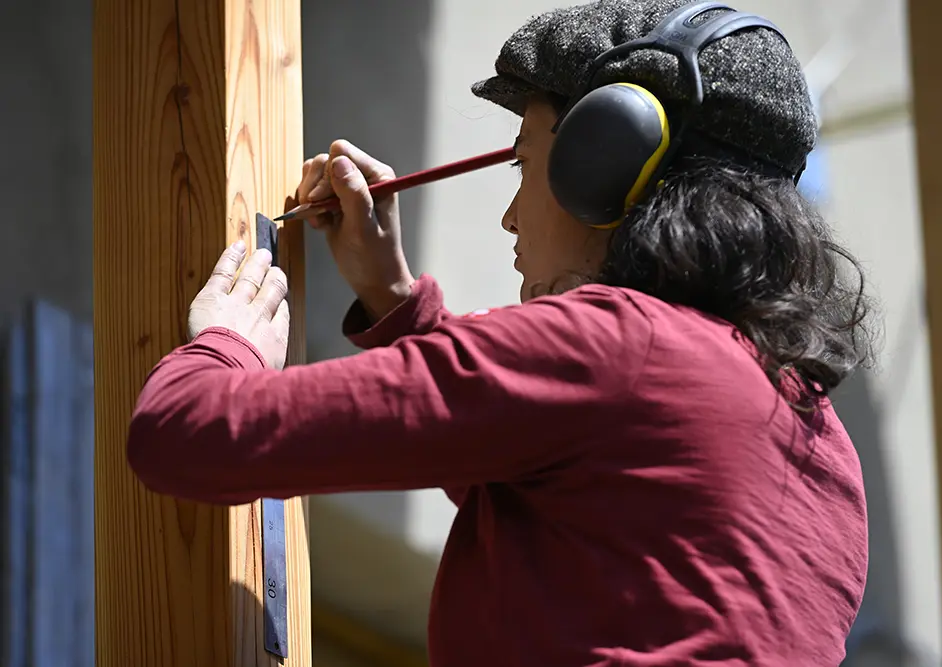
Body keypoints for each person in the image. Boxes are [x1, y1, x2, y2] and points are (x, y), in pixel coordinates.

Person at [127, 0, 875, 664]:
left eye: (523, 164)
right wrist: (396, 302)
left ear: (604, 163)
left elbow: (181, 434)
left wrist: (226, 342)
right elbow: (551, 469)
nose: (511, 218)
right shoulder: (824, 449)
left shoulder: (615, 347)